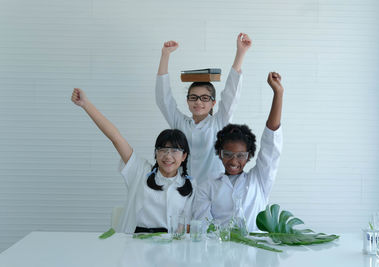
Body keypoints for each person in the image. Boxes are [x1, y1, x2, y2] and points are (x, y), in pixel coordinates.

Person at [71, 88, 194, 234]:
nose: (168, 156)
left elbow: (184, 227)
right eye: (163, 150)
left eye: (175, 151)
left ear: (184, 156)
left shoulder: (189, 186)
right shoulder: (141, 171)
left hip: (168, 249)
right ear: (156, 153)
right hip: (133, 244)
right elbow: (115, 137)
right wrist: (86, 104)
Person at [192, 72, 284, 232]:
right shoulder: (206, 188)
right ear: (220, 154)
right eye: (228, 154)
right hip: (219, 254)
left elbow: (271, 145)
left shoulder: (259, 181)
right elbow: (203, 227)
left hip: (255, 254)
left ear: (249, 156)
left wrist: (278, 93)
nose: (234, 161)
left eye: (240, 155)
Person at [156, 33, 252, 184]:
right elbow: (164, 99)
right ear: (187, 101)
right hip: (184, 190)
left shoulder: (219, 123)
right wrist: (165, 55)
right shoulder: (180, 124)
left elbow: (230, 95)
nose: (198, 102)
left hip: (213, 193)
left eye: (205, 98)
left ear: (213, 103)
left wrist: (240, 53)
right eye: (193, 97)